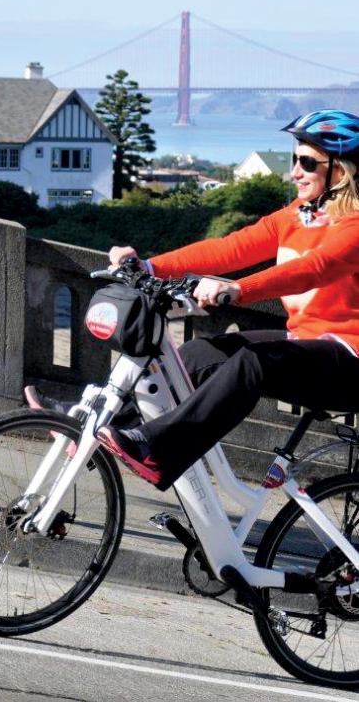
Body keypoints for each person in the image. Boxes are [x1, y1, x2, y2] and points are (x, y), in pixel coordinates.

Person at [93, 110, 359, 491]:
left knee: (253, 363)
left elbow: (314, 269)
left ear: (341, 170)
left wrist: (239, 289)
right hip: (307, 344)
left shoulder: (355, 227)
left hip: (350, 361)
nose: (295, 172)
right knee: (199, 354)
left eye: (306, 162)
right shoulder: (296, 218)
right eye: (293, 160)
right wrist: (149, 266)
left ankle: (157, 448)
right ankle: (102, 432)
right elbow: (229, 250)